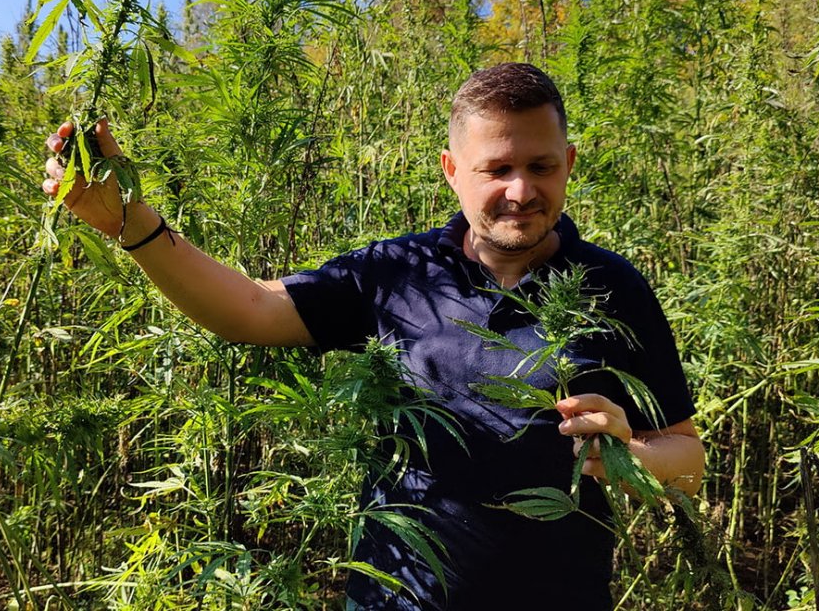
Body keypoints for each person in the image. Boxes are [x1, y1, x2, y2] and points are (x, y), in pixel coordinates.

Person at [43, 62, 703, 610]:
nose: (520, 190)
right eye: (496, 168)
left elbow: (689, 462)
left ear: (570, 163)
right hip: (397, 596)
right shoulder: (398, 273)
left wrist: (628, 454)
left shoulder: (613, 285)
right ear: (451, 169)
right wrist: (133, 223)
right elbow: (249, 309)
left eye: (541, 165)